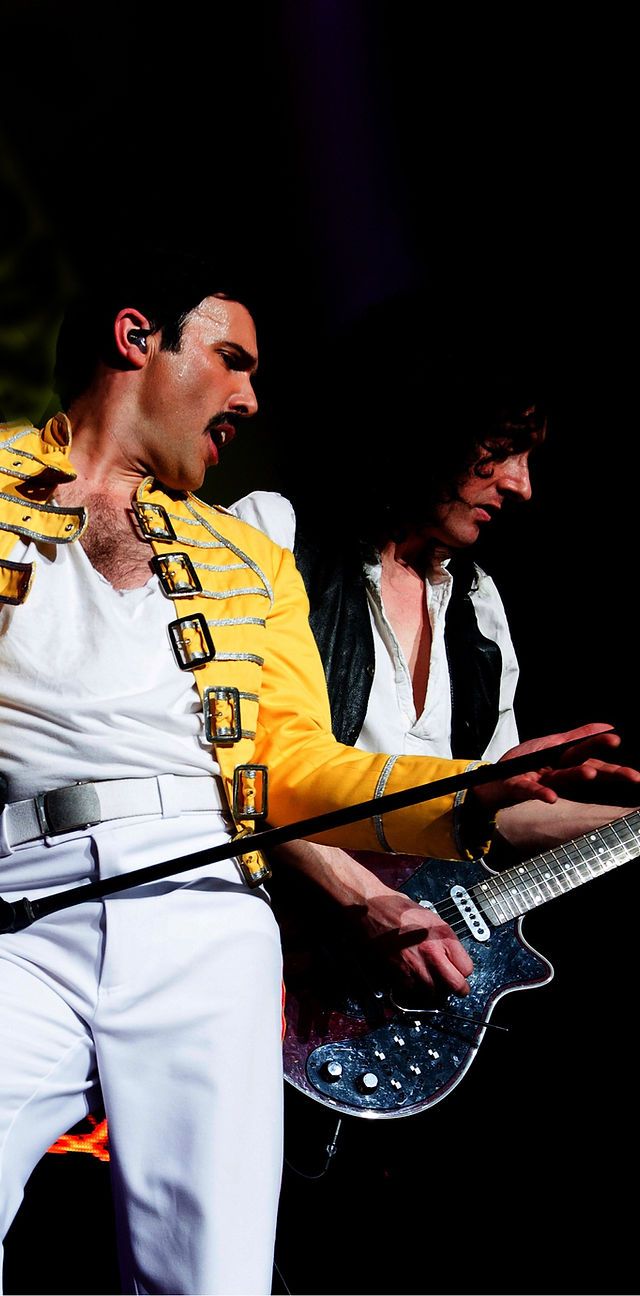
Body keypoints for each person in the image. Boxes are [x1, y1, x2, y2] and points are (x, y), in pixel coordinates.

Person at [0, 253, 636, 1296]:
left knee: (212, 1280)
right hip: (20, 906)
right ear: (136, 338)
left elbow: (290, 763)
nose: (250, 397)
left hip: (206, 907)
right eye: (233, 361)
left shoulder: (245, 562)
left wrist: (467, 792)